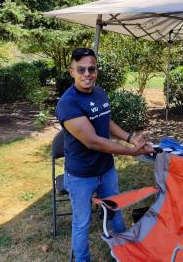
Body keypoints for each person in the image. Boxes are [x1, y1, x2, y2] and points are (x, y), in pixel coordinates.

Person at [56, 48, 154, 262]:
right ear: (72, 71)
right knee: (82, 222)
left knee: (115, 211)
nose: (87, 73)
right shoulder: (68, 103)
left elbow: (105, 122)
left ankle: (124, 252)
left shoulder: (99, 92)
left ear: (96, 70)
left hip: (106, 169)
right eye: (81, 69)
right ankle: (82, 259)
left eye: (91, 69)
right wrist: (132, 152)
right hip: (81, 175)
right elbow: (93, 141)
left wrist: (130, 139)